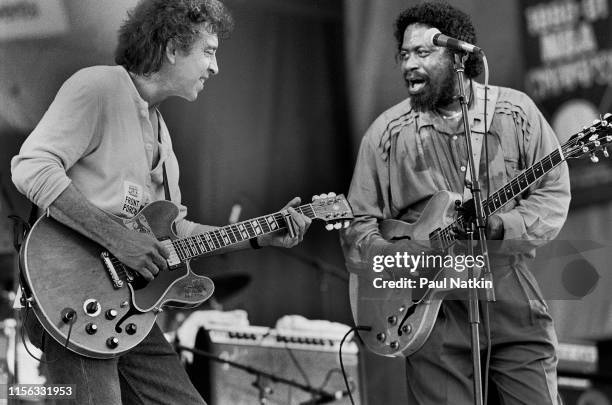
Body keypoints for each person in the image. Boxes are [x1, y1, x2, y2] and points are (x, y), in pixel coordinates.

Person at [11, 0, 311, 404]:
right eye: (208, 50)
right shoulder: (98, 87)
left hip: (131, 307)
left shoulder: (161, 133)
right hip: (72, 297)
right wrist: (118, 241)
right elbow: (32, 167)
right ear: (172, 48)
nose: (215, 66)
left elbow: (176, 232)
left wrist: (260, 236)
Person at [340, 2, 570, 404]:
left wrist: (502, 227)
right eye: (404, 54)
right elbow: (357, 224)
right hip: (432, 311)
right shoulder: (385, 135)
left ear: (459, 57)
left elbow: (552, 194)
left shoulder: (515, 113)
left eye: (424, 53)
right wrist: (402, 258)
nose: (409, 64)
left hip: (509, 292)